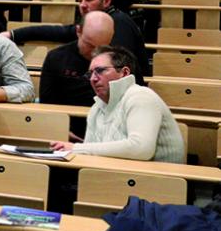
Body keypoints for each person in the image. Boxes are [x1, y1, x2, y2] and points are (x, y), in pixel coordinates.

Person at [50, 46, 184, 163]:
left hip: (159, 186)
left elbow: (141, 149)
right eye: (90, 73)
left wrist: (75, 148)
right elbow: (89, 154)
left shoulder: (141, 97)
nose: (93, 79)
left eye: (100, 70)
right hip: (119, 179)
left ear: (124, 72)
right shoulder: (97, 107)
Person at [5, 0, 146, 71]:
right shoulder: (91, 24)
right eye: (80, 1)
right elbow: (57, 32)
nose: (83, 5)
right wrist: (12, 34)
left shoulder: (120, 23)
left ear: (107, 1)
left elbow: (119, 67)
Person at [38, 10, 116, 109]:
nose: (95, 53)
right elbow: (46, 104)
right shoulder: (56, 58)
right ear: (78, 31)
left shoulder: (120, 60)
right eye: (90, 45)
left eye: (102, 47)